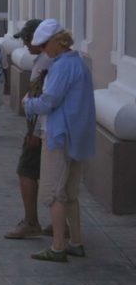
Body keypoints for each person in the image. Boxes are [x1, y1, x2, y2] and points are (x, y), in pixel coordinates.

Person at [24, 20, 96, 262]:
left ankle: (57, 246)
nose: (45, 50)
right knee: (71, 192)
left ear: (56, 42)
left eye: (45, 45)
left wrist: (28, 104)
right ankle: (76, 242)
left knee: (55, 193)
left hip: (58, 135)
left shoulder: (62, 66)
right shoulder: (80, 62)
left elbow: (48, 101)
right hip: (77, 135)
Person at [5, 19, 53, 239]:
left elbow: (46, 100)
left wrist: (35, 133)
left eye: (27, 39)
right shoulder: (46, 59)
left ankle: (31, 221)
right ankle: (59, 221)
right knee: (52, 175)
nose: (25, 45)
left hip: (39, 127)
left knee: (26, 171)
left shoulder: (47, 63)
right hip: (42, 126)